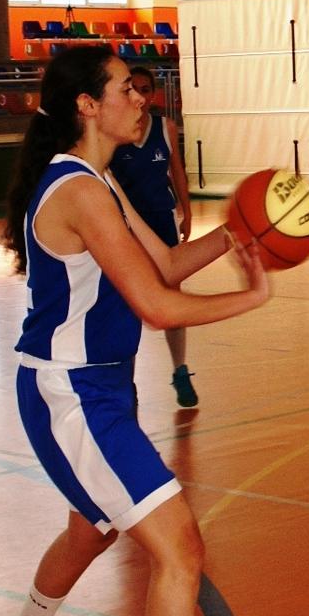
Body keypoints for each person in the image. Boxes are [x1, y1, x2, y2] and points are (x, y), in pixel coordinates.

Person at [0, 45, 269, 616]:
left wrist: (244, 232)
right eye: (124, 88)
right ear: (87, 105)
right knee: (180, 549)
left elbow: (168, 267)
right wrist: (248, 300)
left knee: (92, 525)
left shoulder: (100, 181)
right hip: (73, 395)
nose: (140, 97)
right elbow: (155, 307)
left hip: (96, 389)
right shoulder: (78, 190)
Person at [110, 66, 198, 407]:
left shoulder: (165, 128)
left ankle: (180, 370)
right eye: (134, 88)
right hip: (127, 227)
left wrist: (186, 211)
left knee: (172, 296)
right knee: (126, 301)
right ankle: (126, 381)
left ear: (153, 94)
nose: (141, 96)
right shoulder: (117, 132)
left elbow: (177, 173)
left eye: (146, 89)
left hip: (161, 221)